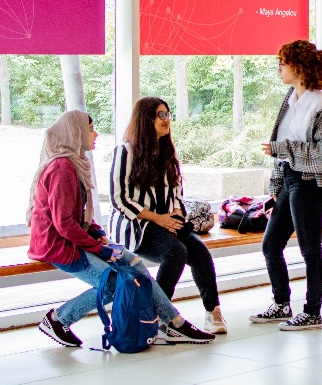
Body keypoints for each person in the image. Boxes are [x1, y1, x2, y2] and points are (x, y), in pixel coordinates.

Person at [29, 110, 212, 347]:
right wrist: (99, 248)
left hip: (78, 239)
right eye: (91, 129)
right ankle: (59, 319)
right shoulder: (62, 168)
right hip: (60, 246)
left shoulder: (74, 164)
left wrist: (99, 234)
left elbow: (80, 215)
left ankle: (174, 322)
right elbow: (64, 224)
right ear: (75, 133)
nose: (95, 134)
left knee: (134, 264)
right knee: (114, 283)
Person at [109, 97, 226, 335]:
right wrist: (158, 218)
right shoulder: (125, 152)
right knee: (176, 251)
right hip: (138, 226)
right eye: (160, 115)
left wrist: (175, 214)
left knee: (200, 251)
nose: (166, 120)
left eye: (167, 114)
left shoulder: (168, 152)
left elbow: (177, 193)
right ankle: (158, 315)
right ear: (145, 120)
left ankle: (212, 311)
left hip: (165, 223)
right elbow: (118, 198)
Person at [250, 40, 322, 331]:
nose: (279, 67)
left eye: (283, 62)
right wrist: (274, 189)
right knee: (271, 245)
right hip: (291, 180)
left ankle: (312, 312)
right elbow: (282, 153)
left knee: (309, 249)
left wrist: (284, 149)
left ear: (299, 67)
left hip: (311, 182)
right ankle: (281, 304)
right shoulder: (290, 100)